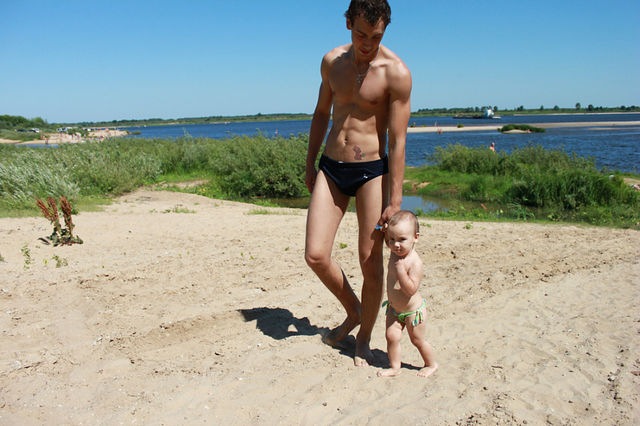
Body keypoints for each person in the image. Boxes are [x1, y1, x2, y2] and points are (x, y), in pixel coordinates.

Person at [304, 0, 412, 367]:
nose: (367, 44)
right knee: (316, 255)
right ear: (348, 23)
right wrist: (310, 163)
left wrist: (394, 199)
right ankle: (354, 311)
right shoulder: (332, 62)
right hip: (331, 167)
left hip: (371, 173)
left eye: (376, 37)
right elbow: (321, 113)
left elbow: (398, 140)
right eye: (361, 35)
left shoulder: (396, 73)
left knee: (370, 262)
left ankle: (363, 339)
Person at [378, 210, 437, 378]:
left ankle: (431, 364)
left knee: (417, 340)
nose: (396, 245)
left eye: (402, 239)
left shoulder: (414, 262)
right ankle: (395, 367)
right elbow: (390, 239)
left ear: (415, 237)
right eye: (392, 240)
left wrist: (401, 272)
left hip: (413, 312)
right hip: (394, 309)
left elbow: (411, 289)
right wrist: (386, 231)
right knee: (391, 336)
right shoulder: (394, 251)